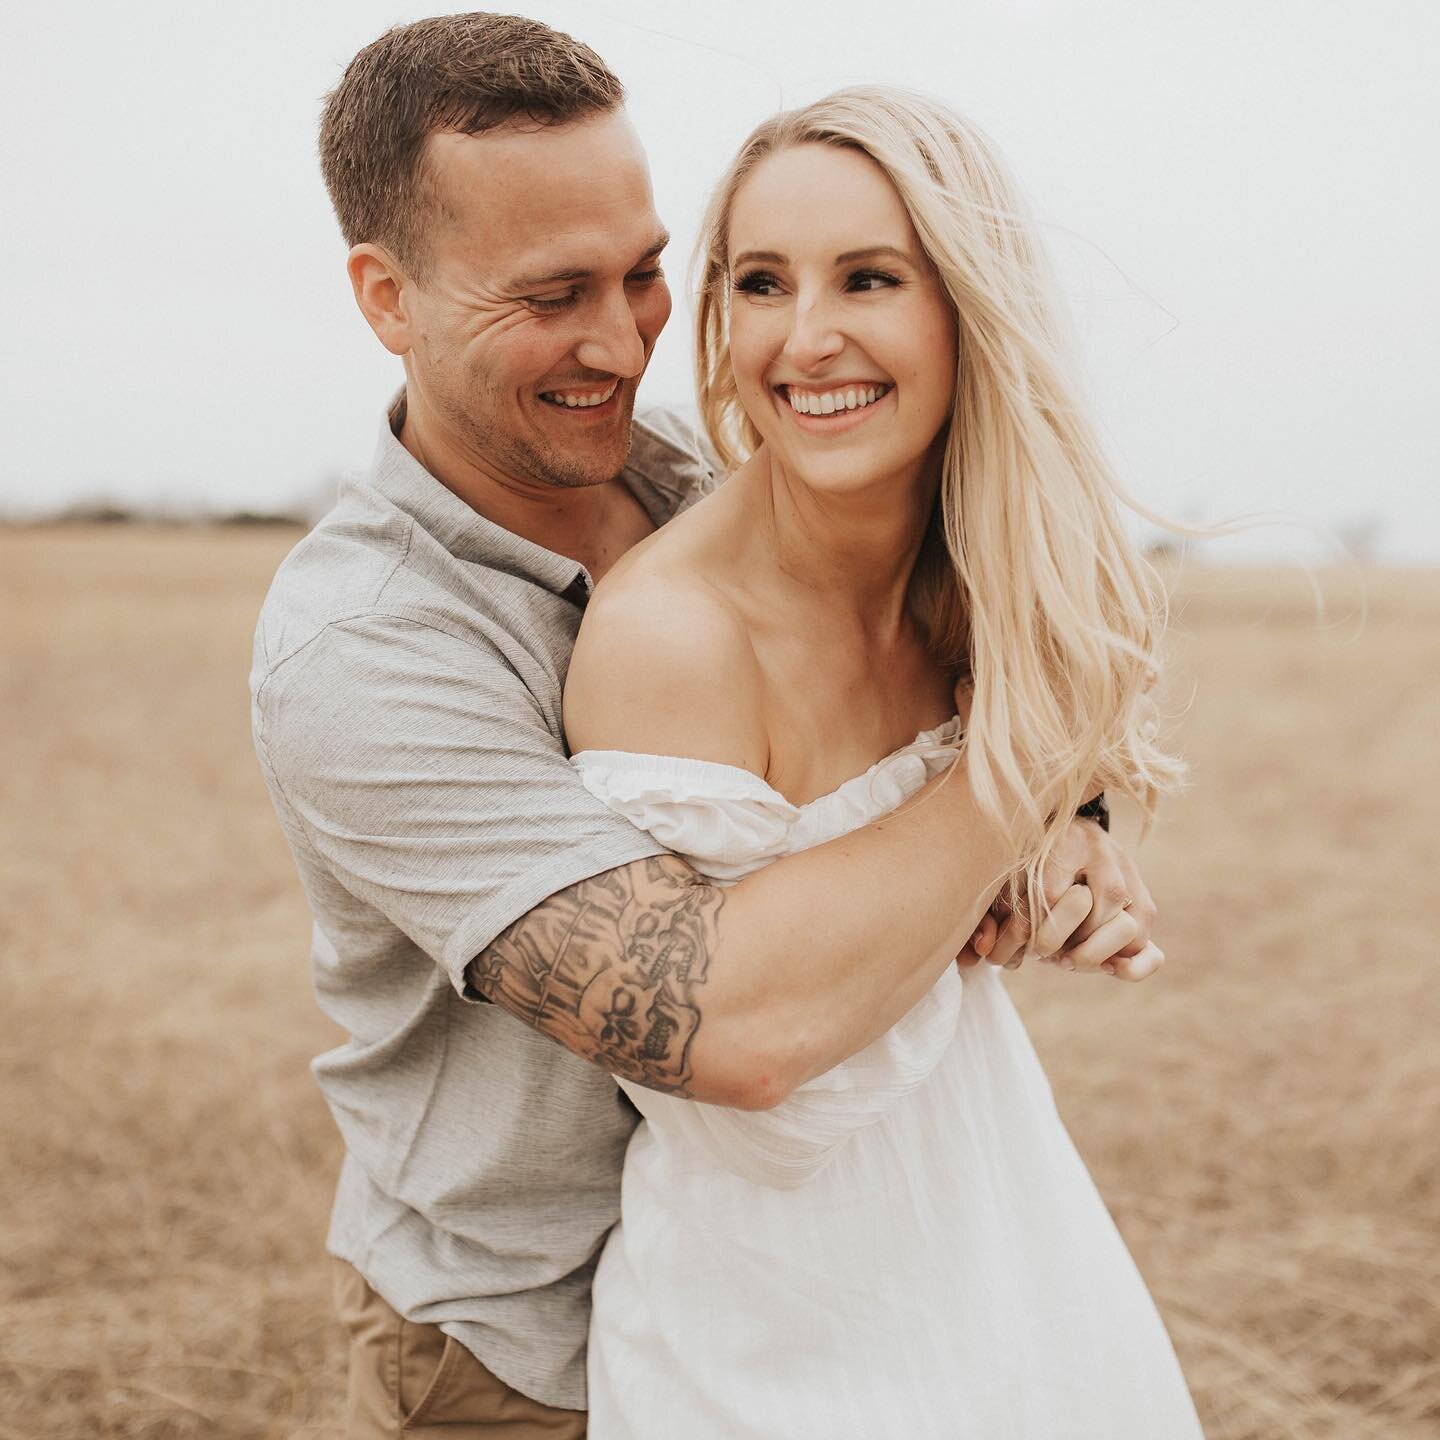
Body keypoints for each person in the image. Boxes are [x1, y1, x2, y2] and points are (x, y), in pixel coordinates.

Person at [251, 14, 1169, 1437]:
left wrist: (1075, 820)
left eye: (647, 273)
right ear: (388, 296)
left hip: (857, 1266)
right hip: (515, 1342)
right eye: (552, 294)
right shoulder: (361, 652)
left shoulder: (707, 465)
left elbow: (974, 634)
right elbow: (726, 1029)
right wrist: (1025, 762)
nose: (620, 345)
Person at [565, 88, 1203, 1438]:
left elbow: (1021, 801)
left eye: (869, 277)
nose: (807, 339)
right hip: (765, 1346)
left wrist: (1065, 842)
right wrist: (1006, 786)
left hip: (1018, 1266)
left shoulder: (978, 579)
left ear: (969, 308)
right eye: (760, 284)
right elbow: (764, 1094)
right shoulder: (672, 637)